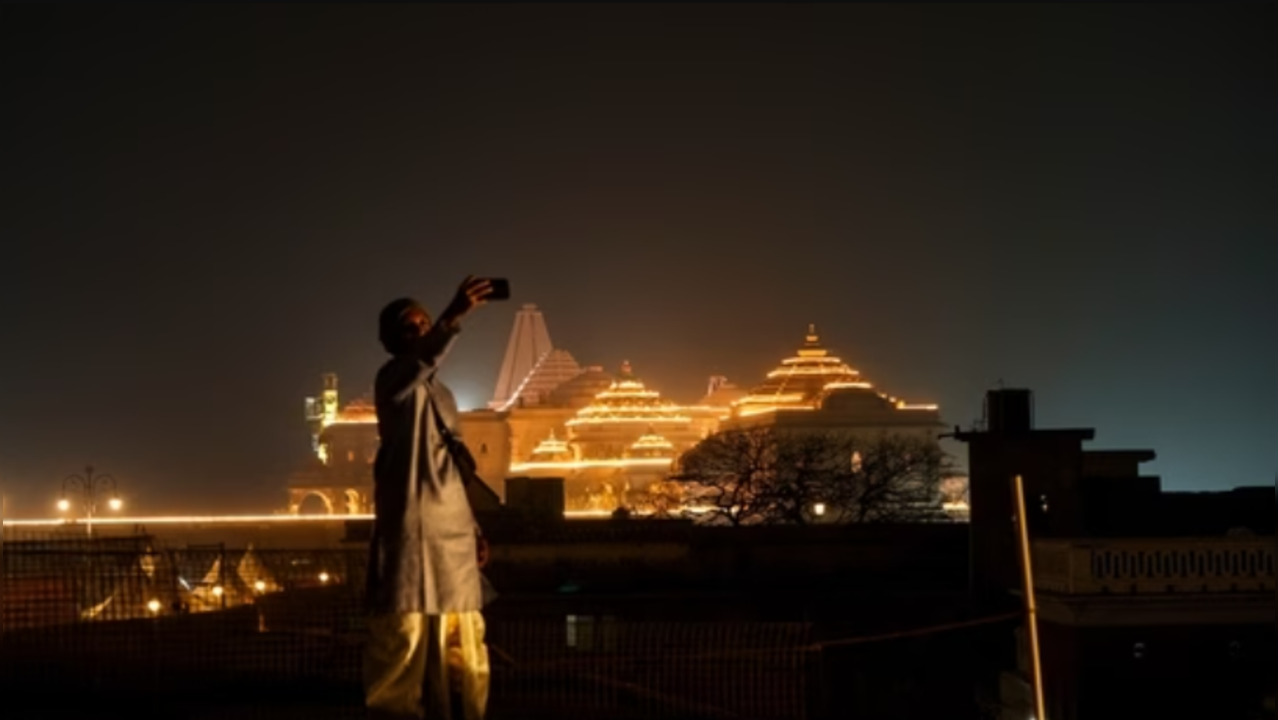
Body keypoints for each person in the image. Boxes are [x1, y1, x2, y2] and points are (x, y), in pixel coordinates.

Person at [364, 276, 496, 720]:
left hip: (452, 532)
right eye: (410, 326)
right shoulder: (392, 384)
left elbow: (454, 470)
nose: (421, 331)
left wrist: (475, 530)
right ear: (391, 341)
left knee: (463, 645)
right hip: (410, 532)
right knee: (405, 639)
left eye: (426, 323)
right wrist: (453, 315)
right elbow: (423, 358)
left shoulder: (444, 396)